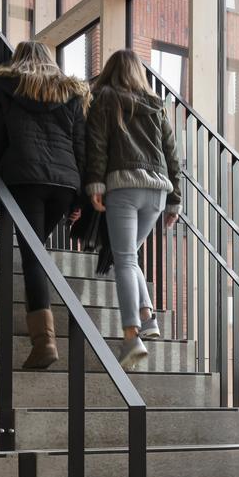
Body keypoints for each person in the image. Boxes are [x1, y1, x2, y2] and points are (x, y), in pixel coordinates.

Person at [0, 41, 89, 370]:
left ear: (18, 60)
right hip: (63, 183)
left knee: (32, 258)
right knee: (36, 252)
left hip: (24, 179)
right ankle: (43, 334)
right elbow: (80, 145)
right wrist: (79, 196)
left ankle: (44, 342)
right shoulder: (70, 92)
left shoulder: (5, 86)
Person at [84, 50, 181, 369]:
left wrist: (95, 183)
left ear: (111, 71)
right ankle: (147, 317)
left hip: (123, 185)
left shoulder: (106, 97)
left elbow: (97, 143)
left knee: (123, 260)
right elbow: (171, 153)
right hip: (156, 190)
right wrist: (175, 198)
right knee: (129, 258)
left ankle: (131, 337)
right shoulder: (156, 105)